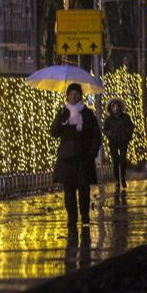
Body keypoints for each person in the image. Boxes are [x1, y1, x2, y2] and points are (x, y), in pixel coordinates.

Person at [50, 83, 101, 226]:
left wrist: (93, 151)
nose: (74, 96)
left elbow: (96, 134)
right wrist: (61, 118)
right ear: (67, 96)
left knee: (84, 190)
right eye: (71, 93)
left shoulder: (87, 113)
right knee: (69, 191)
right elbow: (54, 132)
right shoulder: (63, 113)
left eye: (77, 93)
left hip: (84, 158)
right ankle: (71, 217)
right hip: (67, 159)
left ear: (81, 96)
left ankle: (85, 216)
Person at [102, 98, 135, 190]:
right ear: (111, 108)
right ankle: (117, 180)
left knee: (122, 160)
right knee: (115, 161)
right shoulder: (109, 119)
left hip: (123, 141)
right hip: (113, 142)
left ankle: (123, 178)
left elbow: (131, 127)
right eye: (114, 106)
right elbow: (104, 129)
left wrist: (127, 135)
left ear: (120, 107)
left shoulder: (125, 117)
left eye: (117, 106)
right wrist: (109, 135)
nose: (116, 108)